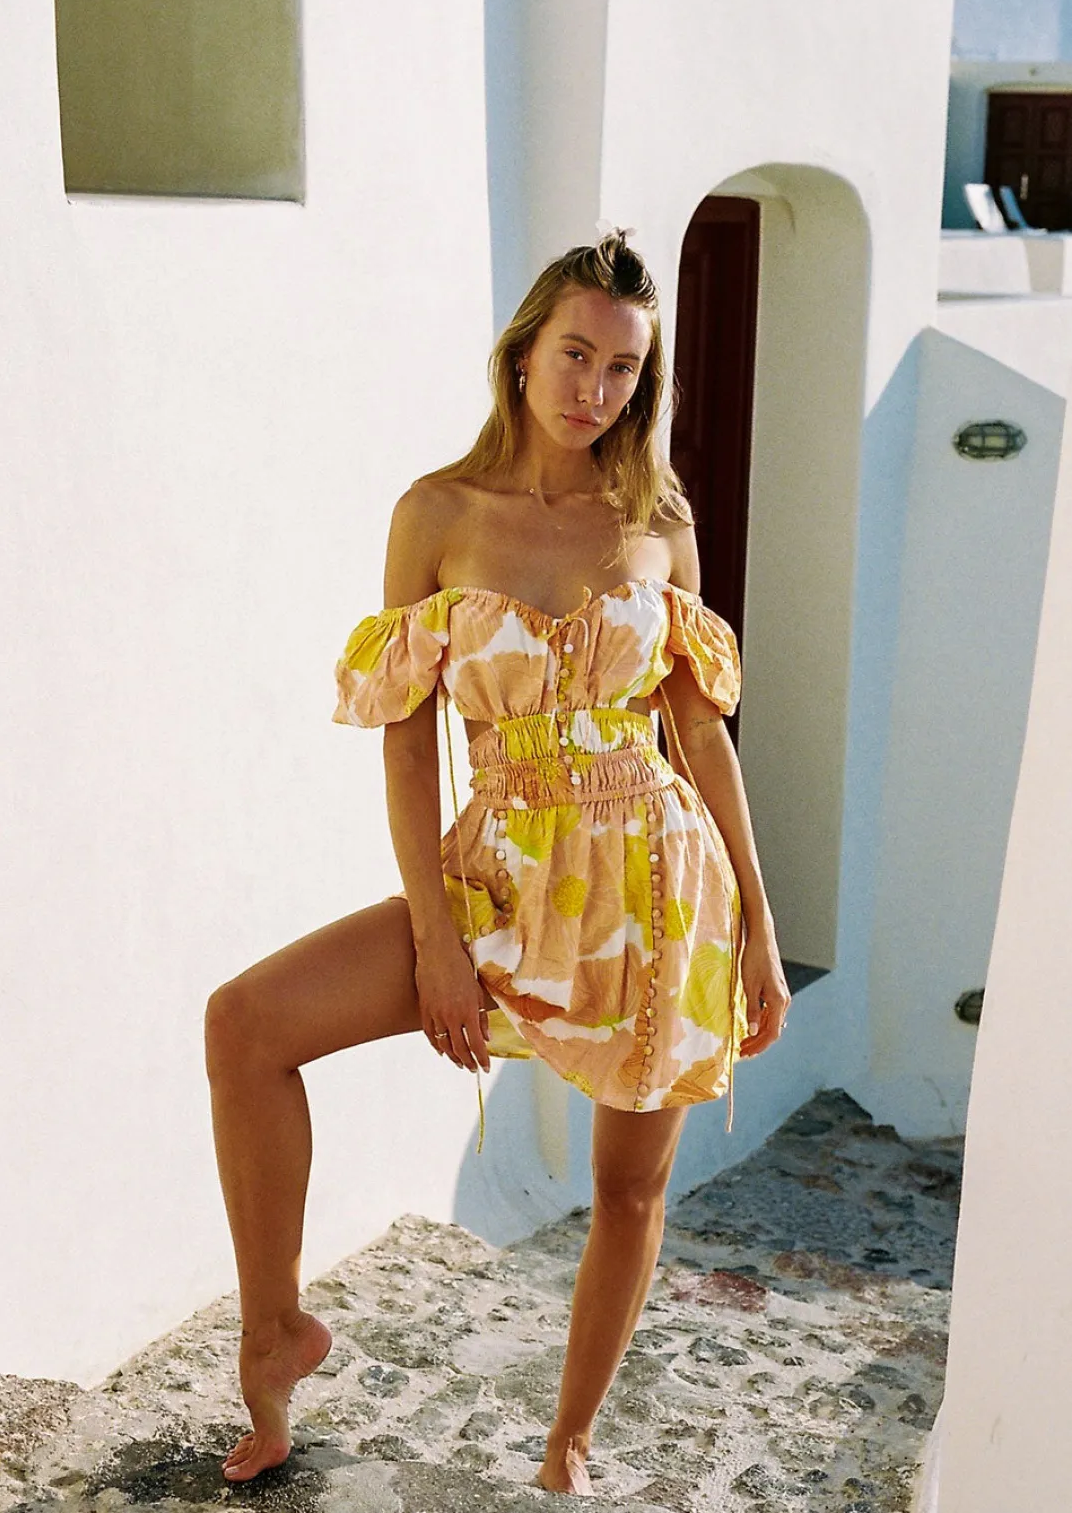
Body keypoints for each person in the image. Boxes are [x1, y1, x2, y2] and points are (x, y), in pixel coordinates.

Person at [204, 228, 791, 1496]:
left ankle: (567, 1444)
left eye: (623, 369)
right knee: (246, 1023)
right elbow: (406, 743)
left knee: (627, 1188)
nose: (595, 388)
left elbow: (699, 733)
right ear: (523, 351)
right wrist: (435, 937)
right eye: (575, 354)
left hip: (655, 889)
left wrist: (757, 921)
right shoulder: (437, 514)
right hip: (496, 877)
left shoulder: (657, 522)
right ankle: (274, 1330)